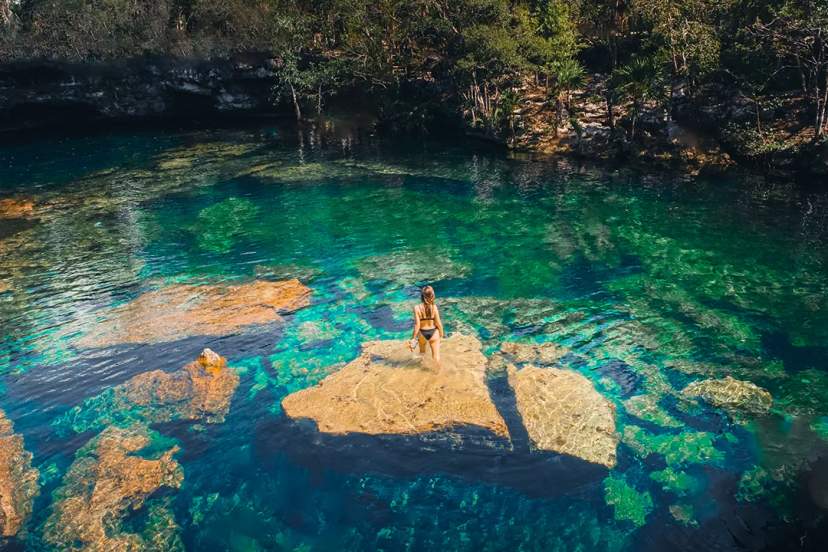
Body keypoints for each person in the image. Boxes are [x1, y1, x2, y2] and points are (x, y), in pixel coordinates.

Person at [409, 285, 445, 363]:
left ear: (422, 296)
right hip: (434, 333)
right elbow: (438, 323)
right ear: (432, 295)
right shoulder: (434, 307)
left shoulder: (416, 308)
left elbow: (417, 325)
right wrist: (442, 334)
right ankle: (437, 373)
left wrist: (413, 338)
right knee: (436, 357)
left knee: (422, 354)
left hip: (422, 333)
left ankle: (422, 370)